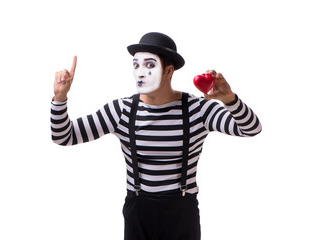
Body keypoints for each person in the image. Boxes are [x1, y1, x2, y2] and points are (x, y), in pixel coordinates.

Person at [51, 32, 262, 240]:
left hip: (182, 213)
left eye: (149, 65)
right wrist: (60, 98)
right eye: (136, 65)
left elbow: (251, 128)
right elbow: (64, 136)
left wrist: (230, 99)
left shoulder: (198, 109)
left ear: (169, 71)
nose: (140, 72)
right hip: (138, 212)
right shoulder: (121, 110)